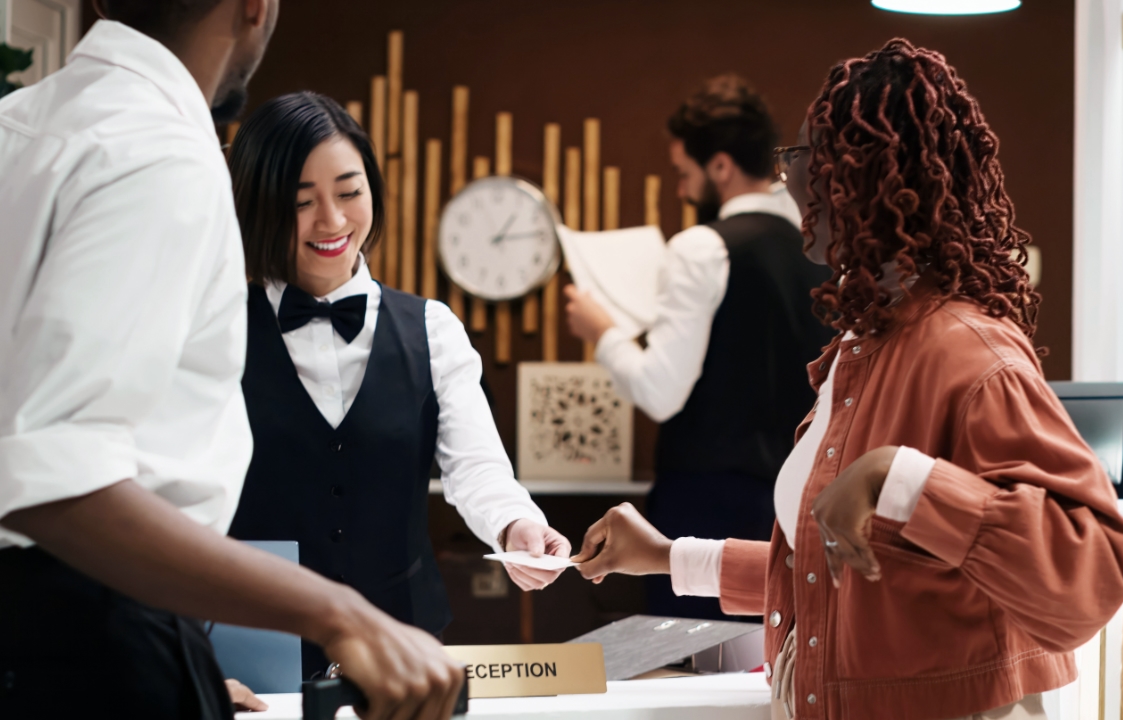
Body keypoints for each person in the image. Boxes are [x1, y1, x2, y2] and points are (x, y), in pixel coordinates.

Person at [570, 40, 1123, 720]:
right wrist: (667, 558)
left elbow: (1091, 574)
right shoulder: (863, 350)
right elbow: (831, 577)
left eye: (803, 158)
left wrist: (901, 476)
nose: (788, 180)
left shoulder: (967, 351)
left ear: (867, 177)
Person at [0, 3, 463, 719]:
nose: (330, 220)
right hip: (98, 632)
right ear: (258, 6)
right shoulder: (158, 151)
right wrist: (342, 614)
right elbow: (58, 479)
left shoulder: (21, 124)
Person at [225, 91, 571, 677]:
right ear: (259, 205)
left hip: (401, 645)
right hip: (255, 643)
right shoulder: (217, 326)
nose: (332, 221)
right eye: (301, 201)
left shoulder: (432, 328)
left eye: (349, 191)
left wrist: (517, 524)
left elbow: (475, 466)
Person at [563, 74, 832, 621]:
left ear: (721, 167)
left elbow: (660, 392)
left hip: (708, 501)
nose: (683, 190)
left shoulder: (701, 248)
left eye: (684, 173)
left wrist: (604, 333)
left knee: (691, 684)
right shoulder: (822, 249)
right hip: (800, 496)